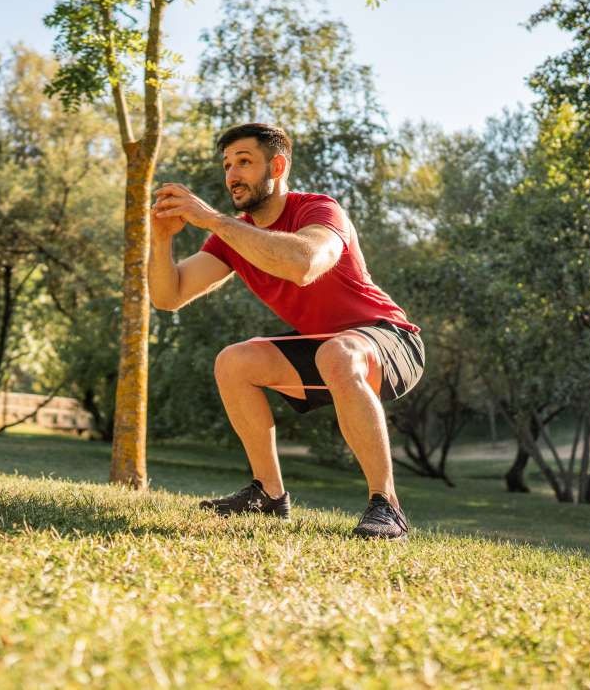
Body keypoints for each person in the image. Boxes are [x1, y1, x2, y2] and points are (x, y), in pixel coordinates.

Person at [149, 123, 425, 539]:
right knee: (235, 362)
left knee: (339, 353)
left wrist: (213, 219)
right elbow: (169, 296)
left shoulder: (319, 210)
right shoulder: (232, 237)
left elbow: (304, 264)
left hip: (391, 339)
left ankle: (388, 507)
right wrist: (162, 238)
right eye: (227, 165)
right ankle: (268, 495)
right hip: (328, 350)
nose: (232, 175)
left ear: (277, 165)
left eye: (244, 162)